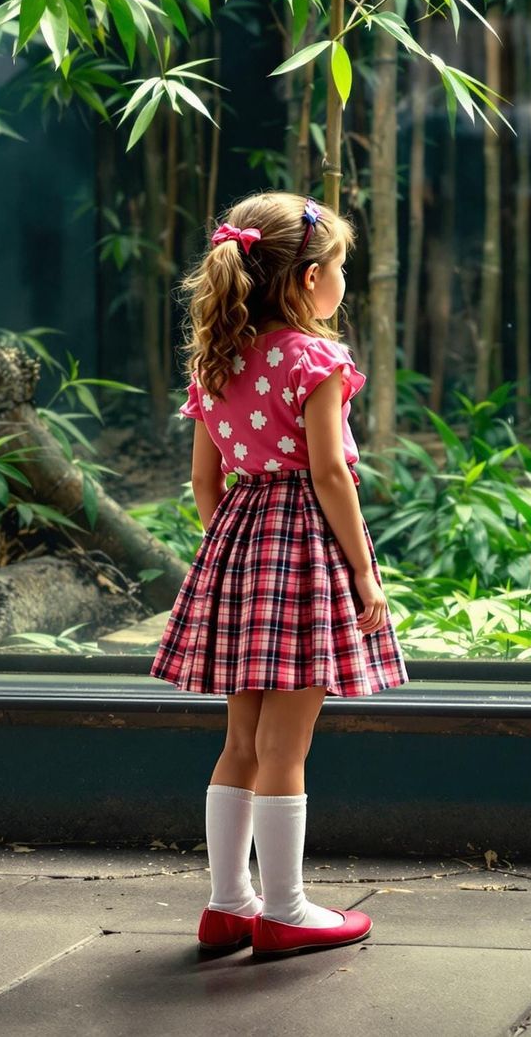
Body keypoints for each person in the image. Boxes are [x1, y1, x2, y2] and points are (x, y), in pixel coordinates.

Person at [150, 191, 408, 957]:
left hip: (240, 543)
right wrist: (363, 573)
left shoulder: (218, 360)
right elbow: (330, 472)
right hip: (304, 554)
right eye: (338, 269)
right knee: (287, 748)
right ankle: (284, 910)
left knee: (242, 741)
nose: (343, 284)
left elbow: (206, 481)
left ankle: (228, 903)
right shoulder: (316, 360)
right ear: (304, 280)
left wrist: (234, 550)